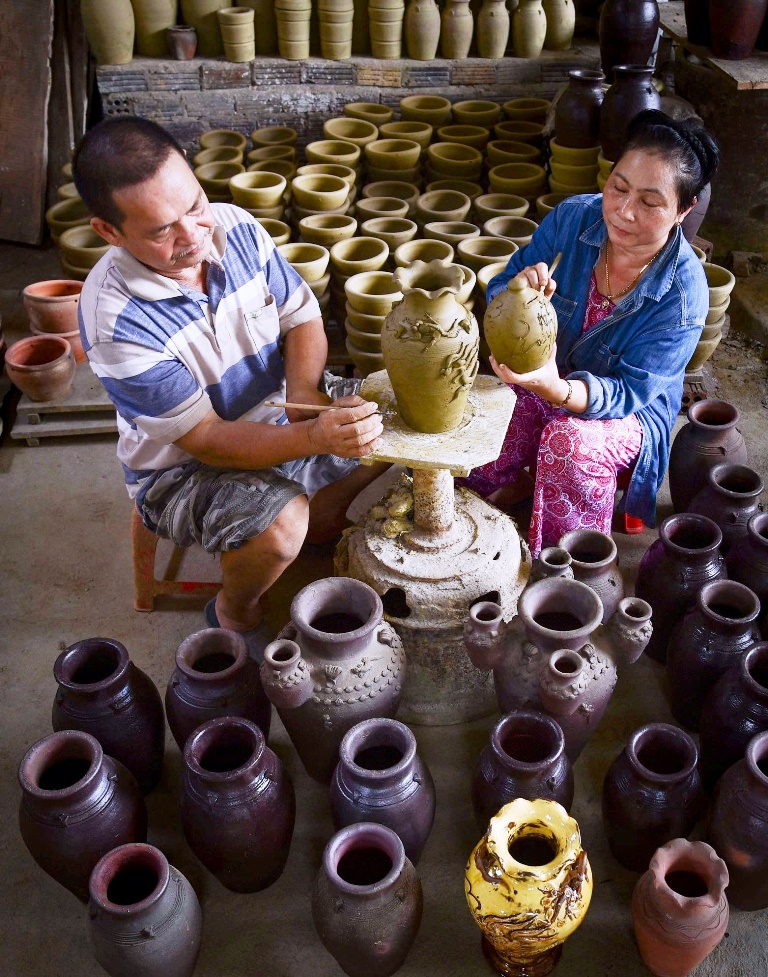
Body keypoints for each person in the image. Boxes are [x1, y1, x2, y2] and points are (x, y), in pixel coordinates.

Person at [73, 117, 385, 656]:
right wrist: (314, 439)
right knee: (283, 522)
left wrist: (307, 395)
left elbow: (302, 316)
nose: (193, 236)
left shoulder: (234, 226)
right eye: (160, 229)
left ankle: (325, 513)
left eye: (194, 205)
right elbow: (207, 438)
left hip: (274, 409)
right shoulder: (115, 321)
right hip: (182, 467)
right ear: (110, 231)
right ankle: (234, 608)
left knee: (390, 415)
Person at [465, 109, 720, 558]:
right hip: (547, 376)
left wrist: (556, 389)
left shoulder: (683, 295)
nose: (622, 211)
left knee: (570, 444)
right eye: (618, 187)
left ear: (683, 209)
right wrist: (518, 290)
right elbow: (502, 285)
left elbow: (628, 393)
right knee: (486, 418)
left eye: (649, 201)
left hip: (628, 412)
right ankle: (470, 525)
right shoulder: (572, 220)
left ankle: (567, 572)